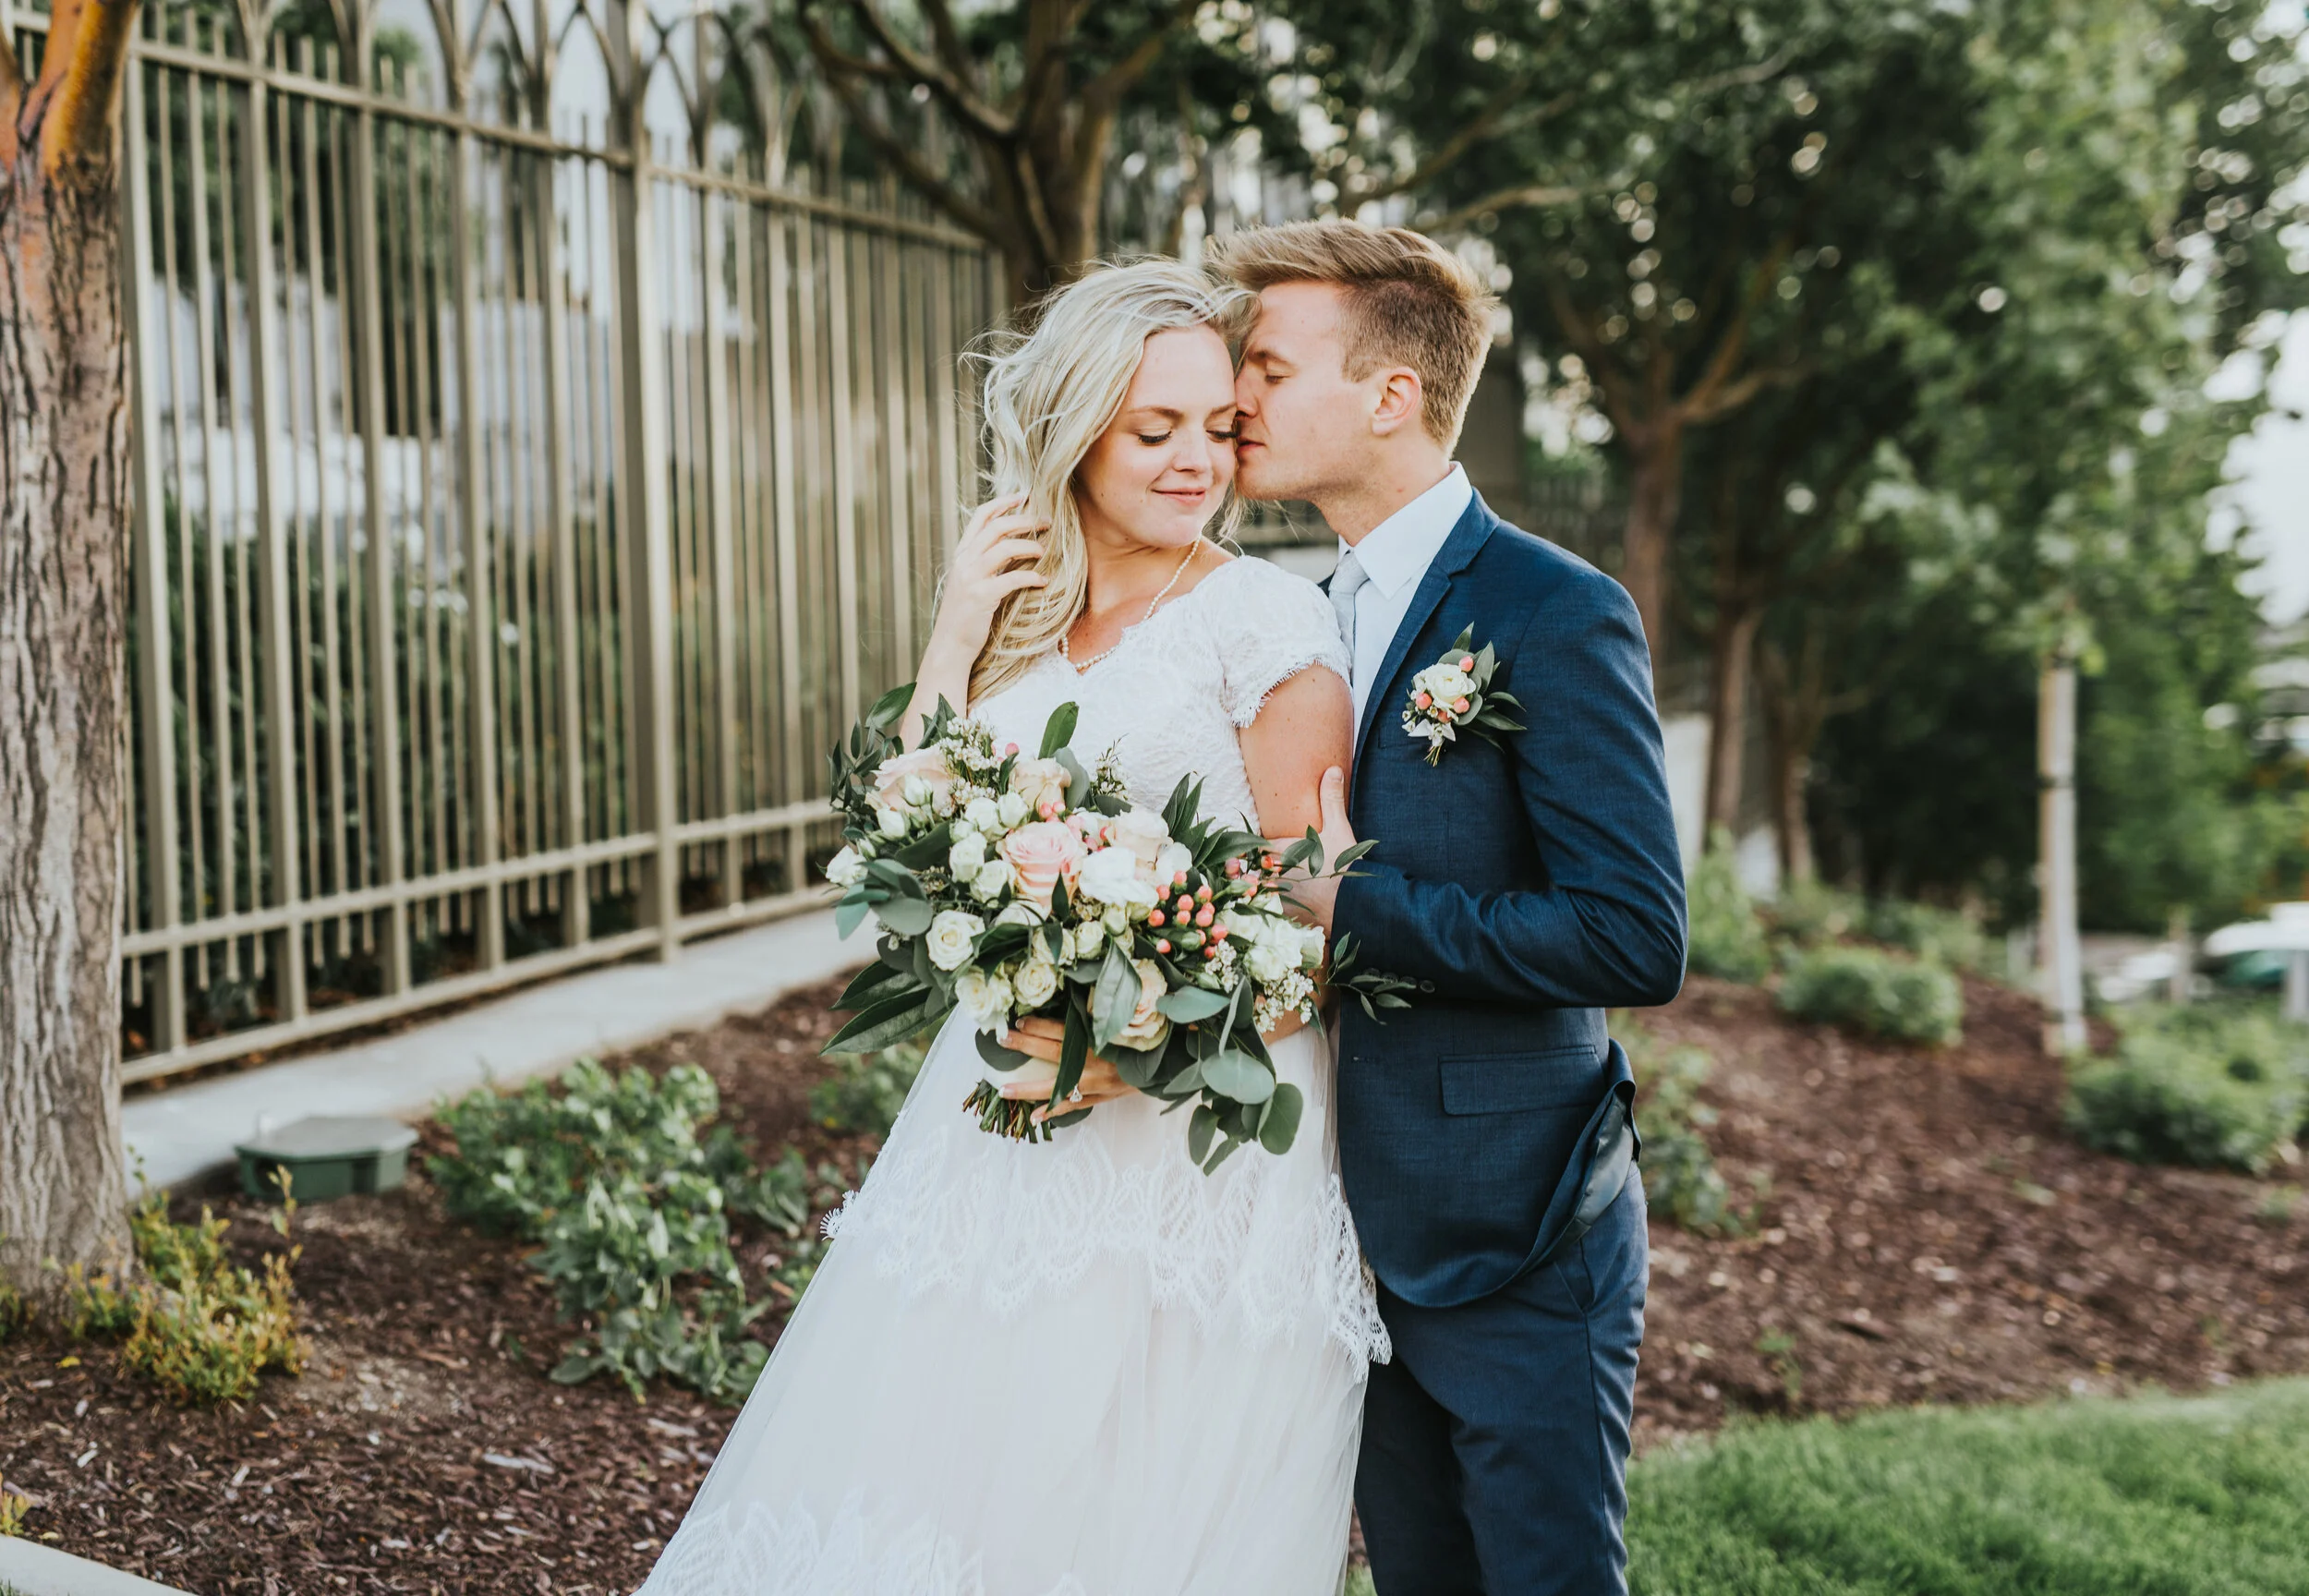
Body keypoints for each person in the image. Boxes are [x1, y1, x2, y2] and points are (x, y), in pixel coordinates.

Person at [635, 260, 1388, 1596]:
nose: (1196, 460)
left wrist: (1133, 1047)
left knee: (1118, 1509)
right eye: (1154, 430)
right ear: (1075, 430)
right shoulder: (1022, 616)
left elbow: (1321, 926)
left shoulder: (1265, 621)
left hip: (1193, 1138)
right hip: (1001, 1125)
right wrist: (953, 636)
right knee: (941, 1479)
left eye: (1217, 428)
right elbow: (909, 843)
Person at [1215, 220, 1688, 1596]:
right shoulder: (1304, 617)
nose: (1239, 398)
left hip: (1520, 1232)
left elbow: (1632, 934)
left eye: (1270, 367)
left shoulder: (1554, 611)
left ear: (1391, 395)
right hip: (1346, 1234)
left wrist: (1351, 904)